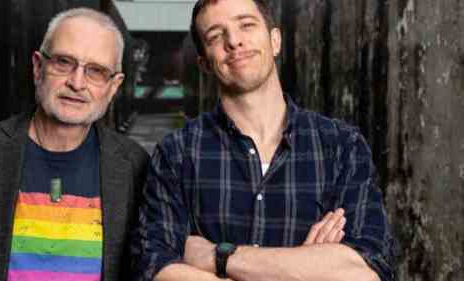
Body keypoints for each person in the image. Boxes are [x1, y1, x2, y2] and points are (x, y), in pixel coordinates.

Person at [132, 0, 395, 281]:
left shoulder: (342, 146)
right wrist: (307, 269)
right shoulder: (177, 153)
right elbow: (155, 269)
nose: (234, 41)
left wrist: (218, 257)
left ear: (275, 41)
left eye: (246, 25)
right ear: (204, 64)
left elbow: (368, 272)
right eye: (216, 36)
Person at [0, 7, 149, 281]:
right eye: (64, 62)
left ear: (114, 86)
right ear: (38, 67)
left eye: (96, 71)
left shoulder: (133, 166)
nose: (77, 83)